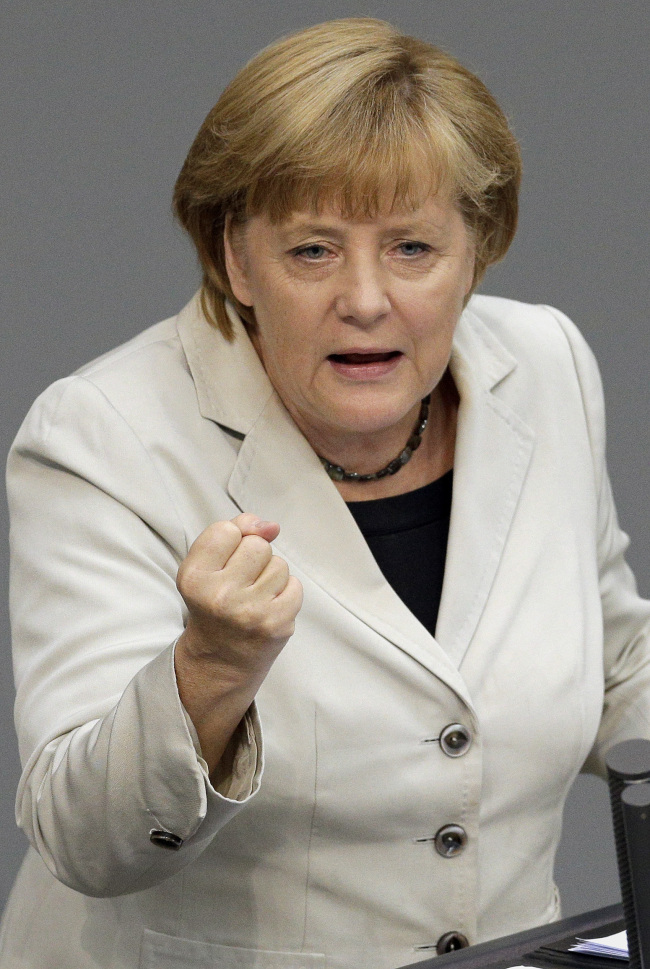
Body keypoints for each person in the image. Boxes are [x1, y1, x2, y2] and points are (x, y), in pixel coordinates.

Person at [1, 16, 649, 969]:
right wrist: (211, 670)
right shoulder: (100, 434)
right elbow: (84, 840)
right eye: (312, 250)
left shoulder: (546, 364)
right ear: (235, 257)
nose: (366, 298)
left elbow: (609, 659)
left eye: (413, 248)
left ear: (478, 249)